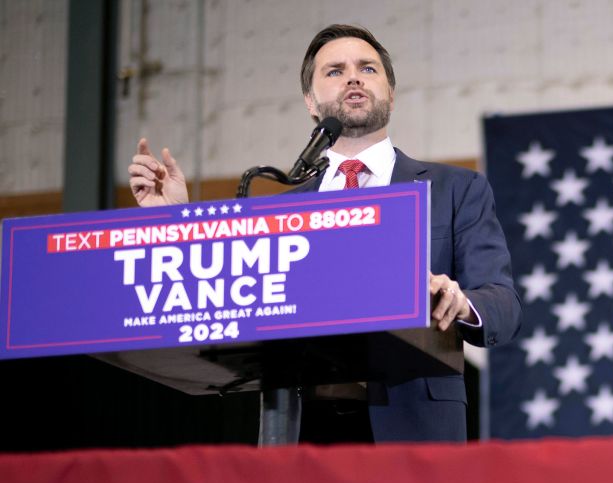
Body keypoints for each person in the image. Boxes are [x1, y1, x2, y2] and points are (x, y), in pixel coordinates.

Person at [128, 24, 521, 443]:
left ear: (390, 92)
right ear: (311, 104)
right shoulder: (278, 211)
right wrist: (175, 223)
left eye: (367, 68)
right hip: (299, 430)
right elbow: (223, 298)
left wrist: (460, 302)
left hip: (413, 428)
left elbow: (503, 305)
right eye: (334, 71)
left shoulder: (456, 190)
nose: (353, 77)